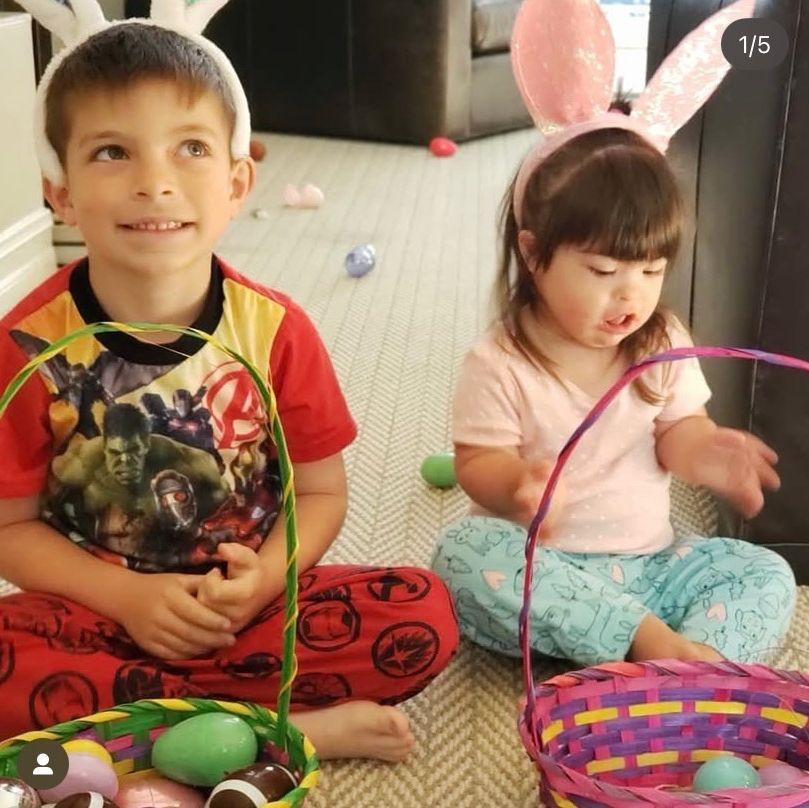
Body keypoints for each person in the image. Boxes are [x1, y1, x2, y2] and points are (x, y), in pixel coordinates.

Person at [0, 1, 458, 757]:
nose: (155, 183)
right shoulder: (25, 345)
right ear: (61, 191)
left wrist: (264, 579)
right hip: (98, 615)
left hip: (245, 613)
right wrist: (128, 598)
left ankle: (158, 729)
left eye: (190, 148)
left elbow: (321, 493)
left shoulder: (277, 330)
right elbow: (10, 528)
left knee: (422, 611)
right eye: (113, 152)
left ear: (237, 182)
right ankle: (269, 730)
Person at [432, 0, 795, 667]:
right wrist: (517, 484)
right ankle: (650, 647)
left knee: (765, 572)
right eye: (603, 271)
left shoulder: (662, 342)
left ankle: (686, 661)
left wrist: (703, 452)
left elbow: (678, 431)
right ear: (533, 254)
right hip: (546, 569)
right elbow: (475, 464)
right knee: (462, 555)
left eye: (651, 271)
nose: (630, 294)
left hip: (652, 566)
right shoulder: (500, 361)